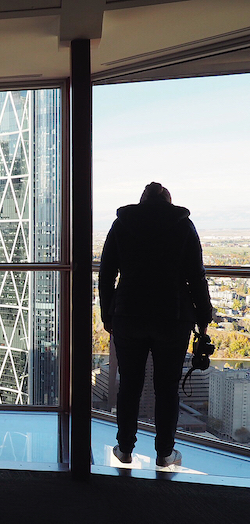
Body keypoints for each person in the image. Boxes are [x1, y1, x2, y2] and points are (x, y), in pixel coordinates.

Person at [99, 182, 213, 469]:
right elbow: (196, 277)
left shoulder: (121, 224)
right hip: (172, 317)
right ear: (169, 202)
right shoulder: (183, 226)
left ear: (141, 202)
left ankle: (125, 448)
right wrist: (203, 318)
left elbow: (106, 273)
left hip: (128, 314)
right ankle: (164, 453)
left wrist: (107, 313)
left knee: (129, 386)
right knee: (167, 388)